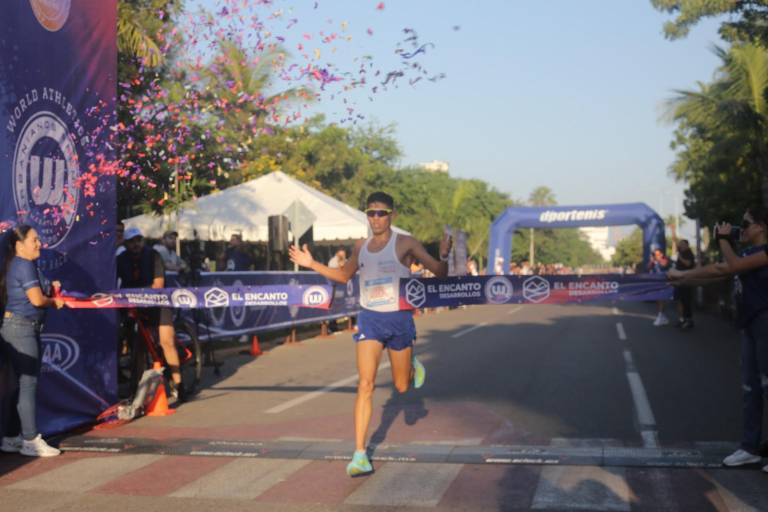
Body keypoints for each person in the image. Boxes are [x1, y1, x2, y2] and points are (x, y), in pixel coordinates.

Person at [289, 191, 451, 477]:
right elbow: (343, 276)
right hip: (370, 320)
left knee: (402, 388)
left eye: (382, 213)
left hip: (399, 320)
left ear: (392, 216)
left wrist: (444, 255)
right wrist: (311, 263)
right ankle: (360, 454)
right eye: (371, 212)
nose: (376, 218)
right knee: (366, 385)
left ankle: (411, 364)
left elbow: (439, 273)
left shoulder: (405, 243)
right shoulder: (360, 246)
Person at [668, 207, 768, 471]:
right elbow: (718, 270)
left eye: (745, 225)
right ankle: (749, 448)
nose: (740, 229)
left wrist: (723, 238)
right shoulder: (746, 252)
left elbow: (733, 265)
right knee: (751, 389)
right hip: (749, 324)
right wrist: (683, 277)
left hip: (766, 323)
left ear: (760, 226)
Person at [0, 225, 65, 457]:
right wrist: (53, 302)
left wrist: (52, 288)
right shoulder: (24, 264)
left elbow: (39, 292)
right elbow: (37, 300)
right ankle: (30, 440)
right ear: (19, 245)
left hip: (18, 328)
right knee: (27, 385)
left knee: (19, 385)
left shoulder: (23, 264)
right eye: (34, 240)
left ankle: (10, 437)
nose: (39, 244)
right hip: (21, 329)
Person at [116, 227, 184, 400]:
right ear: (126, 243)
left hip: (158, 302)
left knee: (166, 341)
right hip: (134, 305)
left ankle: (179, 384)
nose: (136, 244)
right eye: (131, 241)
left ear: (143, 241)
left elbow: (158, 284)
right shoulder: (121, 259)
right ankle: (136, 389)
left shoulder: (153, 256)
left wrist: (140, 294)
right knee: (136, 345)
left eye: (138, 240)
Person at [673, 239, 696, 329]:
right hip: (679, 281)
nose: (680, 245)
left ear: (686, 245)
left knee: (686, 301)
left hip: (686, 281)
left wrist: (680, 258)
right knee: (680, 300)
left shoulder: (689, 253)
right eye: (680, 244)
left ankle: (689, 320)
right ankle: (681, 319)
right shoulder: (681, 253)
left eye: (682, 244)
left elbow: (688, 264)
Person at [648, 247, 671, 326]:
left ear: (661, 254)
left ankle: (661, 315)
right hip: (656, 283)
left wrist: (657, 260)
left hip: (664, 283)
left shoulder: (665, 260)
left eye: (657, 254)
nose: (656, 256)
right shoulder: (654, 262)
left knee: (661, 299)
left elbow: (664, 264)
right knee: (658, 299)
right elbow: (648, 268)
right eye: (655, 254)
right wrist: (652, 261)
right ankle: (662, 315)